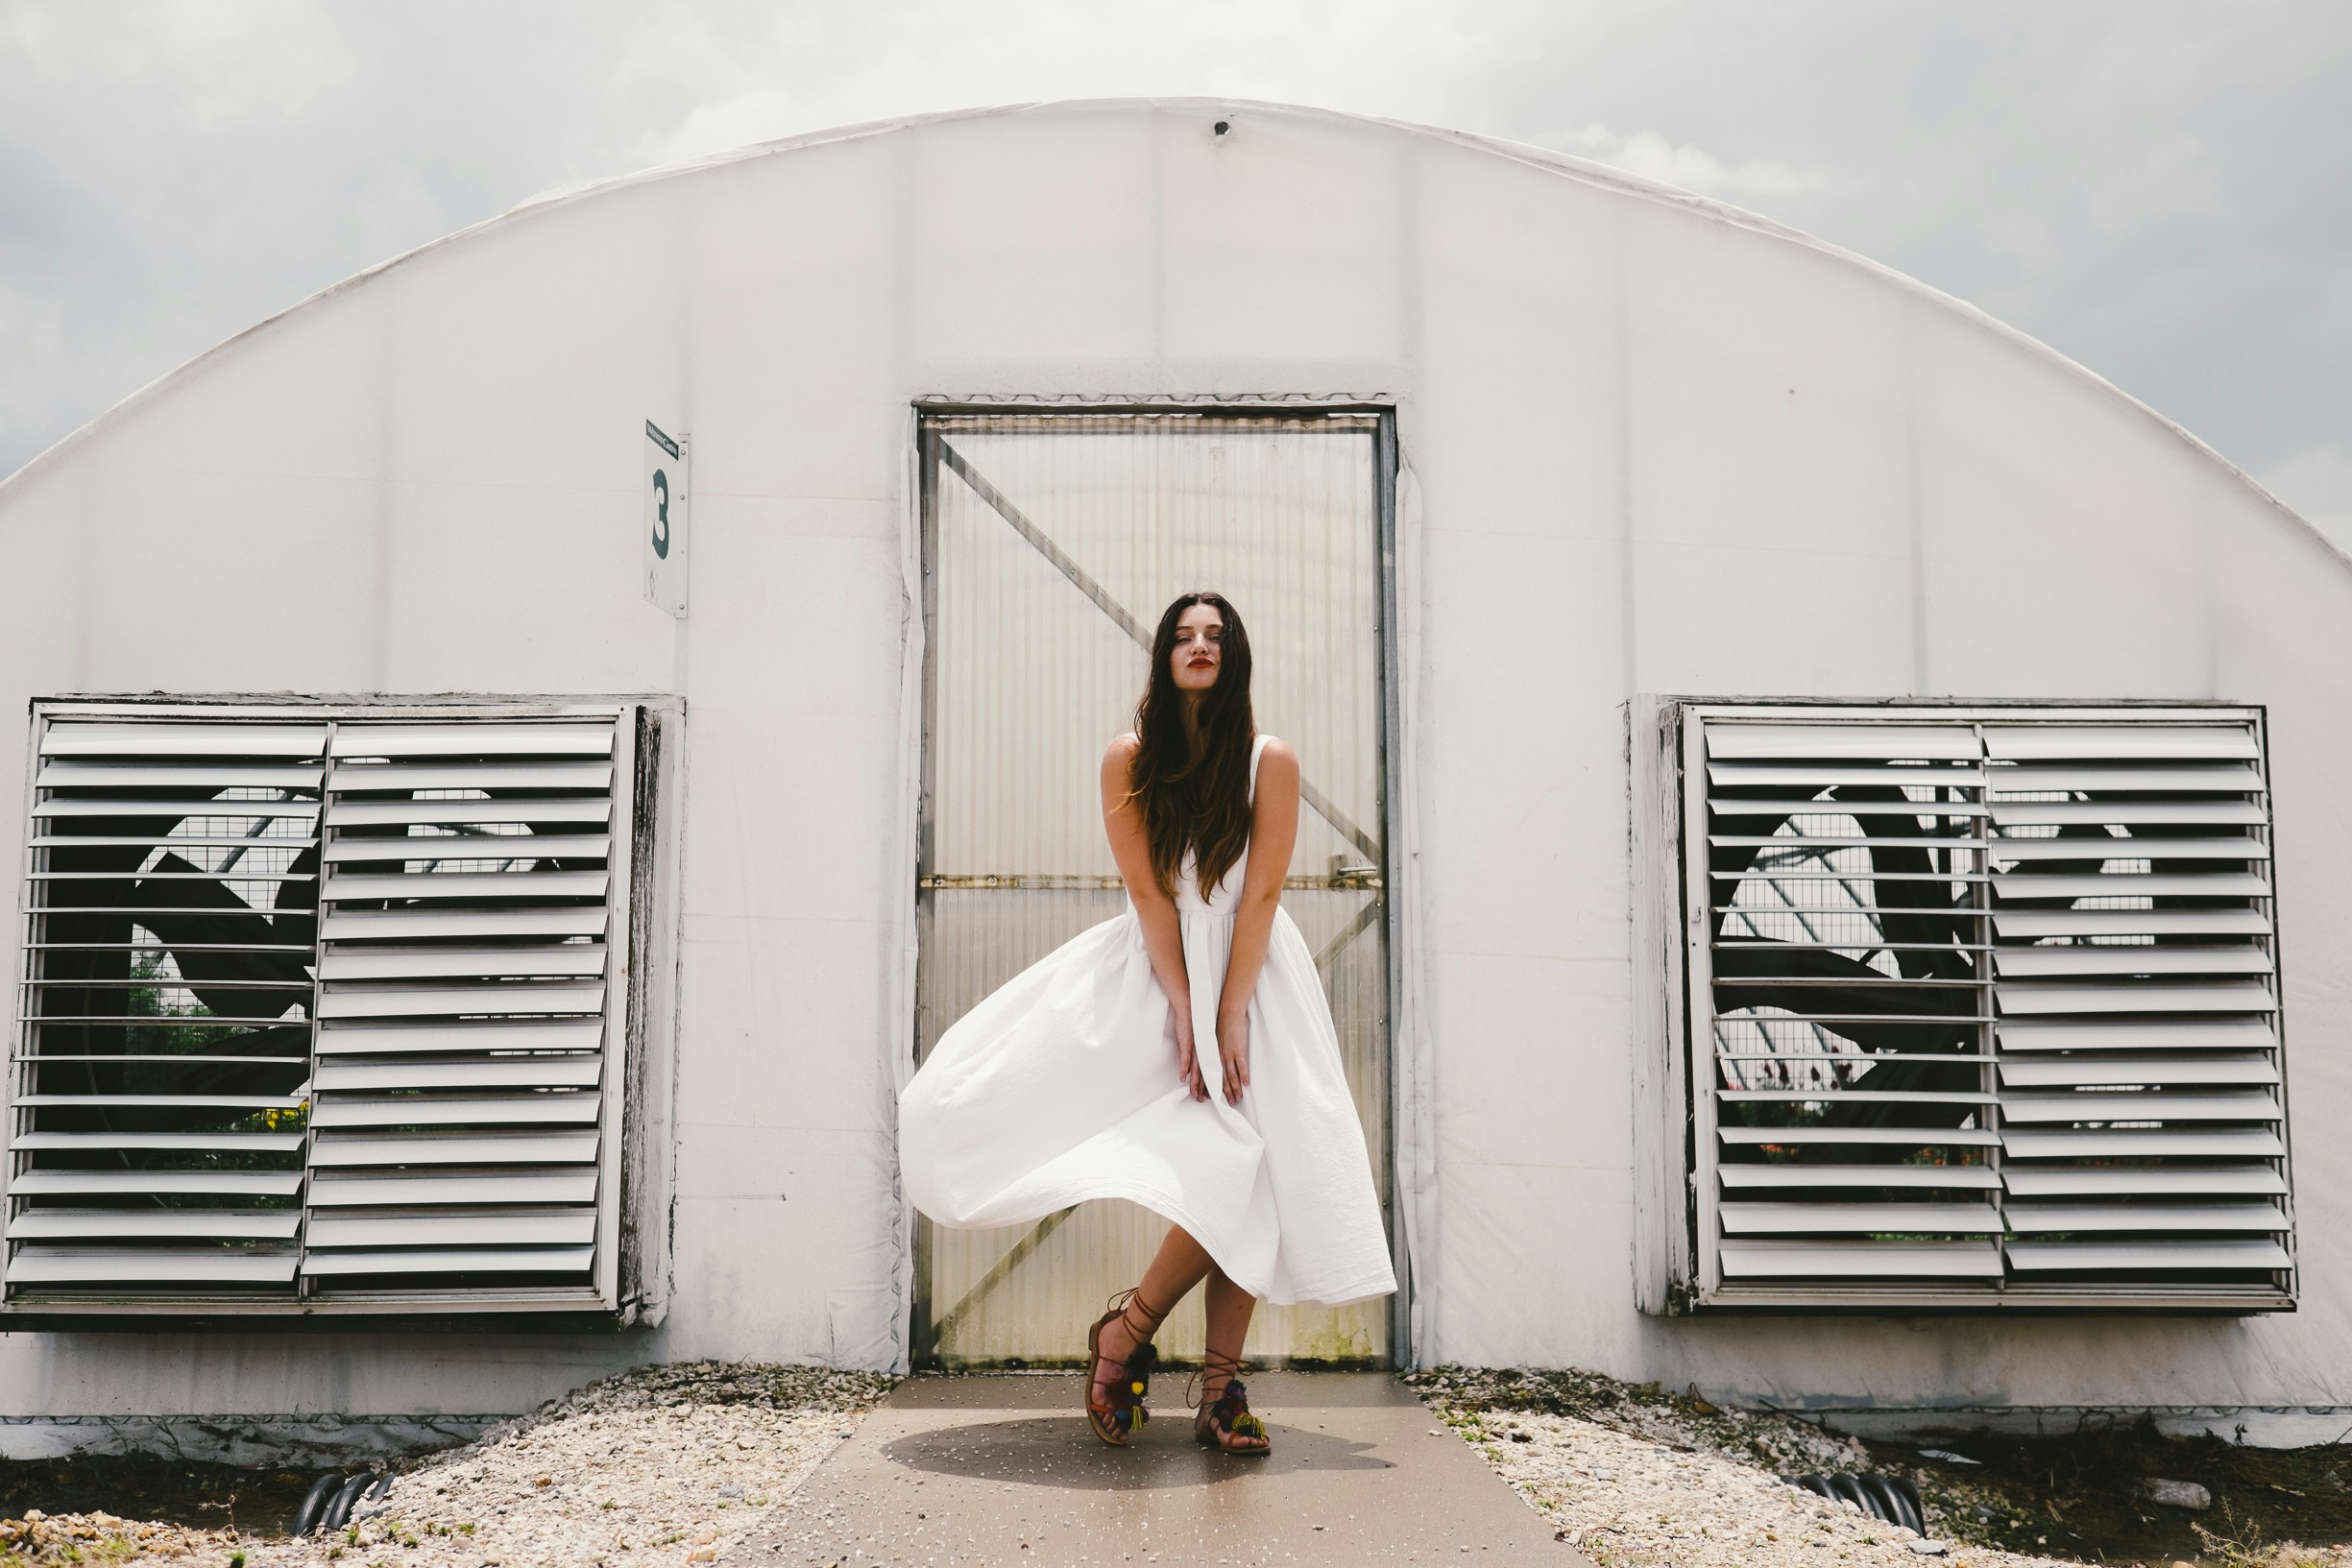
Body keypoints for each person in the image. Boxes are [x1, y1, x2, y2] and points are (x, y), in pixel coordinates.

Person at [899, 591, 1396, 1455]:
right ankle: (1143, 1343)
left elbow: (1264, 895)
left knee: (1262, 1168)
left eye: (1214, 636)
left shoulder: (1267, 760)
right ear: (1163, 657)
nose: (1198, 646)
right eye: (1182, 636)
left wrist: (1231, 1009)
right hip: (1160, 969)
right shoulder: (1126, 759)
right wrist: (1185, 1010)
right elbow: (1146, 893)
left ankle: (1193, 1372)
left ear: (1233, 656)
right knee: (1223, 1168)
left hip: (1255, 977)